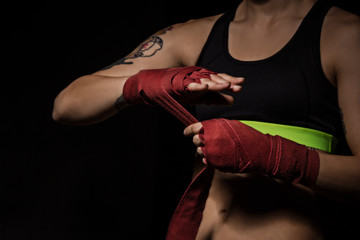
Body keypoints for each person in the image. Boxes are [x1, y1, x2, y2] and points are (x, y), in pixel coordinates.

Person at [53, 0, 360, 239]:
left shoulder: (344, 34)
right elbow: (66, 105)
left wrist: (273, 155)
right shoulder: (194, 35)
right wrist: (147, 84)